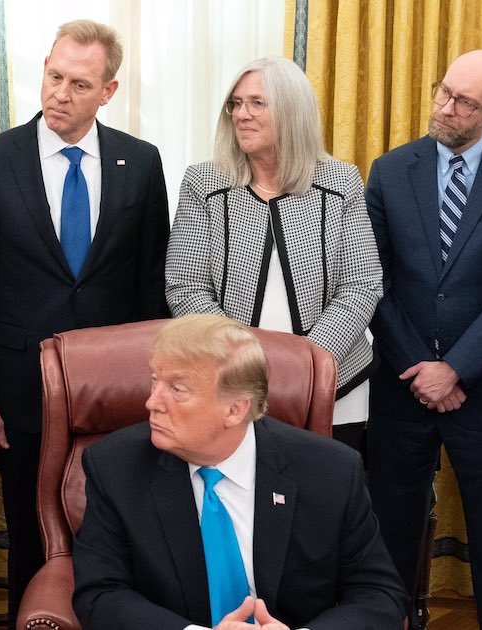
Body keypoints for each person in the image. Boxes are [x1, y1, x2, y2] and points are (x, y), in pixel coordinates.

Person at [0, 19, 170, 622]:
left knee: (116, 530)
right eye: (53, 76)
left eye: (79, 84)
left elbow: (152, 289)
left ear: (108, 91)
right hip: (21, 392)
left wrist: (156, 386)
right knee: (33, 534)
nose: (59, 93)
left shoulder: (141, 162)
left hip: (118, 394)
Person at [364, 49, 482, 629]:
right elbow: (374, 281)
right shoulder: (390, 170)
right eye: (442, 92)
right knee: (388, 535)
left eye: (463, 102)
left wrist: (456, 368)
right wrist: (422, 368)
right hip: (402, 386)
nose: (445, 108)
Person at [72, 314, 407, 630]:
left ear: (234, 410)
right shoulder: (115, 467)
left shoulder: (330, 472)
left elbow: (380, 595)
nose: (151, 402)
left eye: (177, 389)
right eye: (155, 381)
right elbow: (100, 593)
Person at [165, 56, 381, 452]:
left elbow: (362, 285)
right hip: (230, 386)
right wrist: (249, 366)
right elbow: (185, 287)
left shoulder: (340, 181)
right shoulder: (204, 182)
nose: (241, 114)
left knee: (323, 504)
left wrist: (306, 365)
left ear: (292, 110)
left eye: (256, 103)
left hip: (335, 388)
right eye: (236, 103)